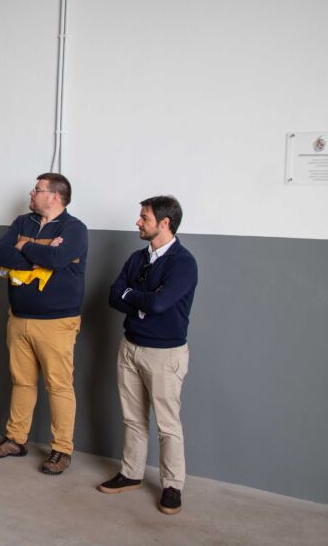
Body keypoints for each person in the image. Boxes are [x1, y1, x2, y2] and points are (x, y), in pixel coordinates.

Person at [98, 196, 198, 516]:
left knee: (167, 425)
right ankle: (131, 474)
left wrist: (138, 299)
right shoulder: (137, 257)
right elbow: (115, 295)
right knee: (132, 418)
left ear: (164, 223)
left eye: (144, 217)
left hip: (164, 355)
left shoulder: (183, 263)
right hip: (130, 347)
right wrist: (140, 300)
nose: (138, 222)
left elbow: (159, 304)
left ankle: (172, 486)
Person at [0, 173, 87, 475]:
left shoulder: (75, 229)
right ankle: (16, 439)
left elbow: (57, 259)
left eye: (38, 189)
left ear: (55, 196)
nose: (32, 193)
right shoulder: (22, 221)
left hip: (57, 323)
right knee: (22, 382)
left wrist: (25, 245)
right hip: (18, 318)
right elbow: (1, 254)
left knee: (59, 386)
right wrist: (39, 247)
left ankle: (61, 450)